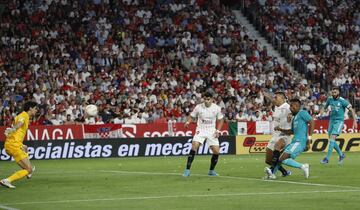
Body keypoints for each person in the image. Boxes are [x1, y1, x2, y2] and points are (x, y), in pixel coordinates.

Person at [265, 98, 314, 179]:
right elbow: (292, 131)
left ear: (298, 106)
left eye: (292, 106)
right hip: (294, 141)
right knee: (280, 157)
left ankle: (303, 166)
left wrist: (309, 137)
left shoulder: (302, 113)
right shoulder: (294, 118)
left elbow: (311, 121)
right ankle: (272, 174)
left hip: (299, 142)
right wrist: (281, 129)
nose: (291, 108)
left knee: (283, 158)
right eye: (290, 106)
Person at [183, 92, 224, 177]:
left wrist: (218, 131)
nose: (206, 101)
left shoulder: (216, 108)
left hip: (211, 130)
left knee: (216, 151)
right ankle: (187, 170)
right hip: (201, 129)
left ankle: (211, 171)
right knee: (194, 146)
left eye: (208, 99)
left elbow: (221, 120)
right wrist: (188, 122)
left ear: (212, 99)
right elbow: (192, 116)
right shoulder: (198, 107)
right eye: (205, 99)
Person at [1, 101, 38, 188]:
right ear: (30, 109)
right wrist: (13, 129)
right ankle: (7, 180)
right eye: (35, 109)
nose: (36, 110)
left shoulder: (21, 115)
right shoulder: (24, 115)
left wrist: (21, 143)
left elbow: (18, 129)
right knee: (28, 169)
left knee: (25, 148)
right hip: (14, 145)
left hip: (11, 145)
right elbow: (19, 124)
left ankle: (28, 173)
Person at [320, 87, 358, 164]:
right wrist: (321, 112)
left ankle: (327, 158)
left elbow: (352, 110)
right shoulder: (329, 99)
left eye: (335, 92)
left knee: (332, 138)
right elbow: (325, 107)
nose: (333, 93)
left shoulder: (343, 101)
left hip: (339, 121)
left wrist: (355, 121)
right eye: (332, 92)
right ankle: (341, 154)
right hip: (331, 121)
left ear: (338, 93)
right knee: (331, 140)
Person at [262, 91, 292, 178]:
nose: (274, 99)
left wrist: (291, 117)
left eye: (276, 97)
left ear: (282, 99)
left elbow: (295, 112)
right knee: (268, 160)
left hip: (284, 135)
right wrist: (266, 95)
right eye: (274, 97)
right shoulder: (277, 106)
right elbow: (271, 100)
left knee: (277, 147)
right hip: (275, 135)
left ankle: (271, 171)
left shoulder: (288, 107)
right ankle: (285, 172)